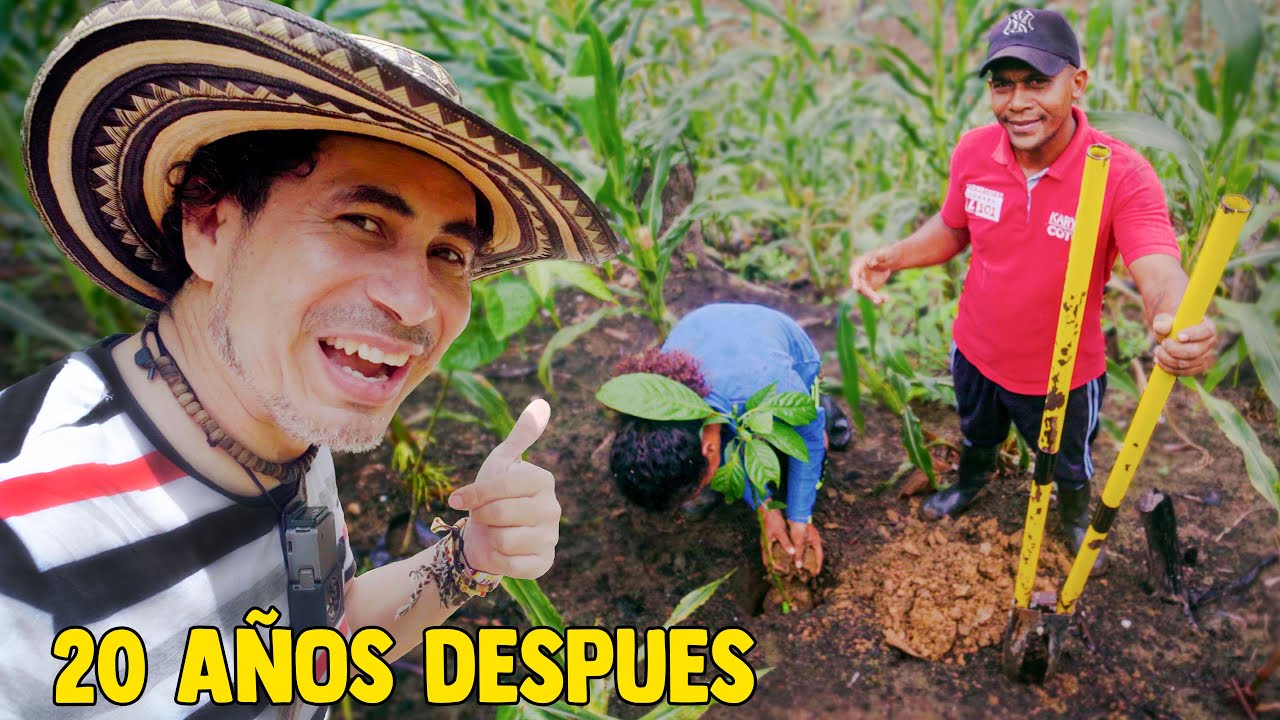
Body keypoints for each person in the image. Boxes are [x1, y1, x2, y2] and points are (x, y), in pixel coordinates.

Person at [0, 1, 623, 717]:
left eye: (447, 254)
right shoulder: (23, 548)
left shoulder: (277, 419)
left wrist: (470, 554)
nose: (416, 304)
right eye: (362, 222)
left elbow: (318, 641)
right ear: (210, 227)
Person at [847, 8, 1217, 569]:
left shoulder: (1121, 173)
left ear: (1078, 83)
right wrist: (892, 257)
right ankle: (970, 485)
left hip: (1061, 375)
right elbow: (953, 227)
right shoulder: (975, 150)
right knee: (977, 436)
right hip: (975, 349)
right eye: (1003, 85)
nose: (1016, 102)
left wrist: (1178, 319)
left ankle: (1073, 520)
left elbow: (1158, 265)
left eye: (1037, 82)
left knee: (1067, 465)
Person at [606, 303, 851, 574]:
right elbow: (722, 445)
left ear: (709, 447)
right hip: (706, 327)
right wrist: (766, 511)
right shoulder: (659, 405)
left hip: (781, 346)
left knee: (813, 431)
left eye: (698, 487)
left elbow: (810, 440)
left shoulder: (768, 388)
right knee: (742, 442)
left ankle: (825, 406)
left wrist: (800, 517)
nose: (696, 494)